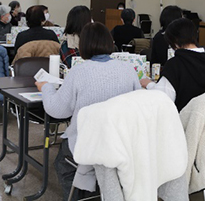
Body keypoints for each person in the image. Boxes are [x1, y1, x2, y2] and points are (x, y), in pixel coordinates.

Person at [36, 22, 141, 199]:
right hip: (122, 143)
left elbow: (57, 110)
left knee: (62, 165)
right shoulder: (128, 69)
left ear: (83, 45)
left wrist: (45, 88)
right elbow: (136, 103)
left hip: (88, 143)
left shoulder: (79, 71)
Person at [141, 18, 205, 111]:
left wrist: (150, 85)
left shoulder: (175, 65)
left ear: (175, 43)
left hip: (183, 122)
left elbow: (162, 99)